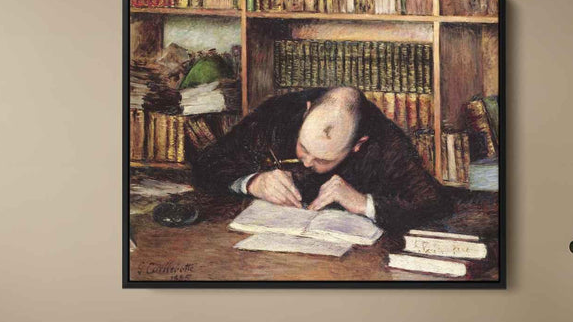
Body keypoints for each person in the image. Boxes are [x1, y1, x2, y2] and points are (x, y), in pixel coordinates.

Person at [193, 86, 452, 234]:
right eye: (303, 147)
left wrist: (363, 203)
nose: (306, 162)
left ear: (356, 146)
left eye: (323, 159)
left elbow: (434, 203)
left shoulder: (385, 141)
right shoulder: (278, 113)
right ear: (307, 112)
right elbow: (205, 164)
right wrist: (252, 182)